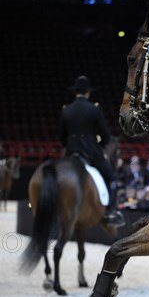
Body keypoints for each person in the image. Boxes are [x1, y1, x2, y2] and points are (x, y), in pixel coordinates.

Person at [60, 75, 122, 225]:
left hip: (70, 152)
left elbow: (62, 137)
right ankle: (110, 212)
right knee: (112, 177)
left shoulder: (66, 110)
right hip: (91, 152)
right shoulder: (94, 109)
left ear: (75, 92)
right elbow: (105, 134)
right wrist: (101, 146)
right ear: (88, 92)